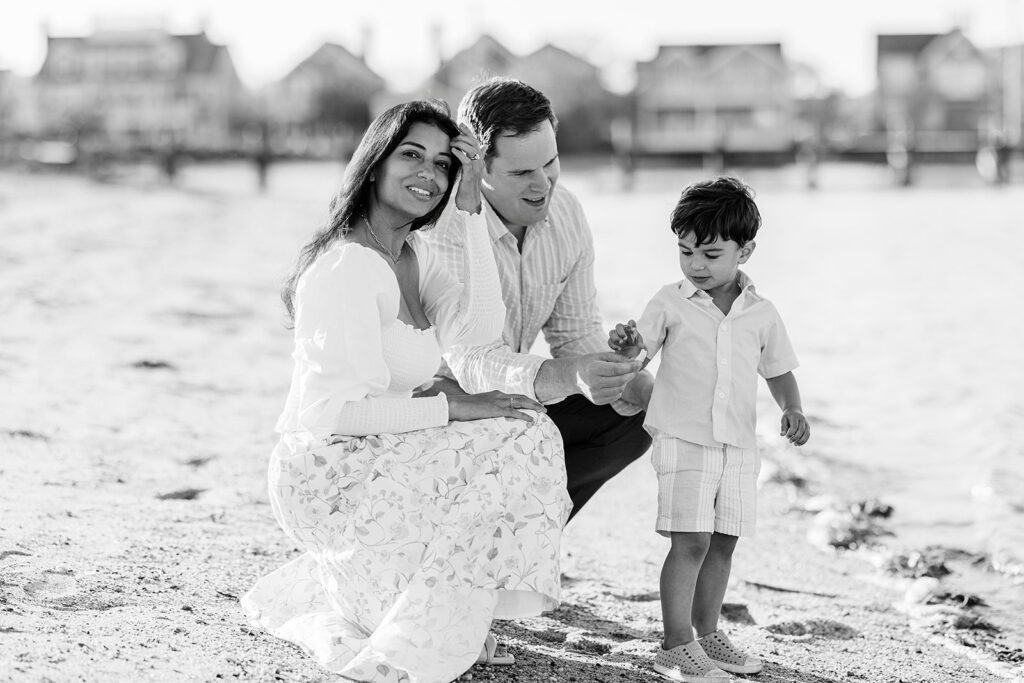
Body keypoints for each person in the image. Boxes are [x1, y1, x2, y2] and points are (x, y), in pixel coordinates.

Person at [241, 100, 572, 683]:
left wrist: (470, 211)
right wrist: (453, 410)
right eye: (411, 155)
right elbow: (329, 413)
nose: (429, 174)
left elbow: (479, 330)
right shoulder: (347, 266)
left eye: (444, 165)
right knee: (513, 442)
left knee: (525, 427)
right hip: (325, 470)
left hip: (377, 454)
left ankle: (451, 611)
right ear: (374, 164)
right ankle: (435, 617)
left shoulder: (413, 256)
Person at [420, 78, 652, 522]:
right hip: (443, 409)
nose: (542, 184)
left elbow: (575, 334)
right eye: (522, 172)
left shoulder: (566, 212)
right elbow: (472, 360)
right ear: (476, 166)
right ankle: (474, 533)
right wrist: (566, 375)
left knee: (633, 417)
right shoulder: (447, 229)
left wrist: (645, 389)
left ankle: (530, 537)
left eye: (550, 163)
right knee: (525, 421)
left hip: (514, 398)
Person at [607, 177, 809, 682]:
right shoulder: (670, 301)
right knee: (691, 540)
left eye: (712, 255)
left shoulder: (762, 313)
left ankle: (707, 633)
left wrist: (793, 408)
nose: (696, 266)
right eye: (686, 252)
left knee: (723, 542)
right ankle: (676, 643)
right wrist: (626, 343)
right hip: (683, 436)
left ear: (746, 251)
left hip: (739, 444)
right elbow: (638, 354)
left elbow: (779, 368)